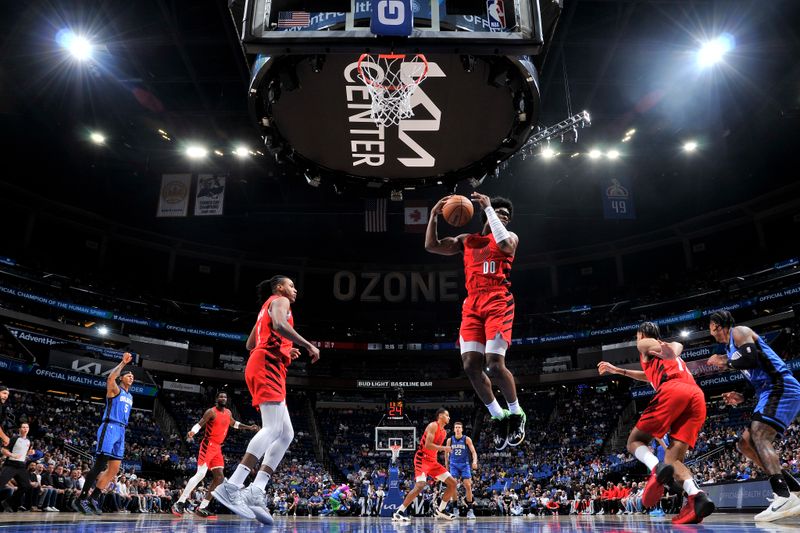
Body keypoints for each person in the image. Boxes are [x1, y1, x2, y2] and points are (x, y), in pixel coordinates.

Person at [213, 275, 320, 524]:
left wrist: (284, 349)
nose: (295, 290)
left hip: (266, 363)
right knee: (272, 429)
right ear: (280, 287)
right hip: (266, 367)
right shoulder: (280, 300)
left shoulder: (265, 308)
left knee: (286, 434)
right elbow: (281, 326)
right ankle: (232, 485)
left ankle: (256, 489)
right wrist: (307, 345)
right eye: (292, 285)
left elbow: (252, 343)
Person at [425, 193, 525, 450]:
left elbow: (504, 242)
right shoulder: (467, 241)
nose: (502, 218)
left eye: (506, 216)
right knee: (470, 365)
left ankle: (516, 412)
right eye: (498, 214)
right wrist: (435, 215)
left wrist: (491, 209)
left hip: (498, 301)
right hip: (472, 304)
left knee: (493, 363)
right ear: (483, 219)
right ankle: (498, 416)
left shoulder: (509, 237)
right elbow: (432, 246)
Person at [598, 322, 714, 524]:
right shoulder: (661, 359)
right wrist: (619, 371)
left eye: (636, 336)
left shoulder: (645, 344)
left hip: (674, 389)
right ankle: (697, 496)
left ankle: (655, 468)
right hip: (695, 395)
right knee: (673, 459)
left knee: (635, 440)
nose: (636, 340)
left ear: (642, 334)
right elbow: (650, 375)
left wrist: (673, 348)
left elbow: (673, 346)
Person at [706, 310, 800, 521]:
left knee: (759, 434)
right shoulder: (731, 348)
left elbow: (750, 357)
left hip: (781, 385)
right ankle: (792, 488)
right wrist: (743, 395)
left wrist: (725, 362)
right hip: (766, 391)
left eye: (712, 328)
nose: (711, 333)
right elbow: (754, 373)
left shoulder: (739, 332)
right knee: (744, 444)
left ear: (720, 326)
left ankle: (783, 495)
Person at [171, 391, 259, 518]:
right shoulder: (211, 412)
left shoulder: (228, 412)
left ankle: (202, 507)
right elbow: (200, 423)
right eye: (221, 396)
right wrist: (193, 432)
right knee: (201, 474)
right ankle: (180, 502)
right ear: (216, 399)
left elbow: (234, 424)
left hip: (217, 448)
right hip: (208, 445)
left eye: (225, 396)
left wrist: (249, 427)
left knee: (219, 478)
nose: (223, 398)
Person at [73, 352, 135, 515]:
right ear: (121, 378)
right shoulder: (115, 389)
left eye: (132, 376)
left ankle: (94, 498)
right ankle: (80, 499)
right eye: (128, 375)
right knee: (100, 465)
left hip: (121, 431)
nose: (131, 377)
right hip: (110, 427)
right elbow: (109, 378)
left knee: (114, 469)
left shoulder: (130, 396)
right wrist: (122, 363)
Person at [392, 408, 457, 521]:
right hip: (422, 459)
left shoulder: (444, 432)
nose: (449, 417)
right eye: (447, 415)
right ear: (440, 416)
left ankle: (440, 511)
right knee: (420, 485)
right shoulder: (433, 426)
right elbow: (428, 445)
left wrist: (436, 473)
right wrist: (444, 448)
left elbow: (435, 450)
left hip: (433, 461)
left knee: (453, 483)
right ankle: (399, 512)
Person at [444, 421, 478, 519]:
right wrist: (446, 465)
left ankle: (470, 510)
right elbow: (446, 454)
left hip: (464, 465)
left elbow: (473, 452)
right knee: (453, 485)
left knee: (468, 485)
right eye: (456, 427)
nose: (458, 429)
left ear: (462, 429)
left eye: (459, 427)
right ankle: (455, 508)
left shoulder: (466, 439)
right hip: (454, 465)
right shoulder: (450, 440)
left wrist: (474, 461)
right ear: (454, 429)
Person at [0, 422, 35, 511]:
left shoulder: (29, 441)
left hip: (21, 466)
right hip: (10, 464)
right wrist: (12, 455)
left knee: (26, 486)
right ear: (20, 429)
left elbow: (24, 453)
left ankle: (7, 502)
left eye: (27, 427)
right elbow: (3, 450)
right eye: (23, 427)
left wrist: (29, 453)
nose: (25, 429)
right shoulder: (14, 438)